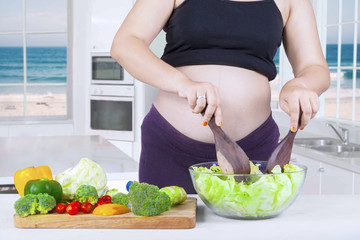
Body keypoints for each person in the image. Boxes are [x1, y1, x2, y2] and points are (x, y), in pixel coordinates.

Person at [110, 0, 330, 194]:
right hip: (172, 147)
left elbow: (314, 66)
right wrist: (183, 83)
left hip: (254, 149)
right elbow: (126, 43)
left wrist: (301, 84)